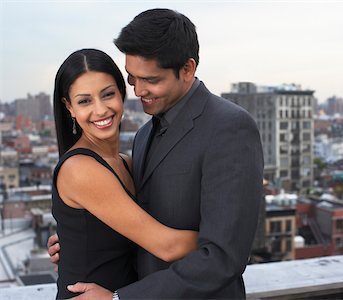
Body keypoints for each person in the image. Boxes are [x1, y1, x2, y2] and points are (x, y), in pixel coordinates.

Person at [49, 8, 264, 299]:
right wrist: (82, 240)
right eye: (132, 79)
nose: (139, 90)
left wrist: (226, 243)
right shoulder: (144, 135)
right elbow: (139, 226)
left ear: (187, 69)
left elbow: (223, 257)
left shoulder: (229, 128)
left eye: (150, 79)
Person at [51, 48, 197, 299]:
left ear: (122, 93)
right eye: (85, 101)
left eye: (108, 95)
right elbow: (167, 246)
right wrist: (225, 238)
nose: (100, 110)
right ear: (69, 107)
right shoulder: (80, 169)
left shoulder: (127, 163)